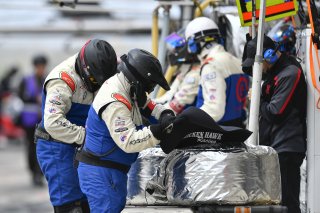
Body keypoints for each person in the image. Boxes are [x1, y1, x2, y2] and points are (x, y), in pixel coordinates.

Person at [76, 48, 175, 213]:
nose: (148, 90)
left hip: (110, 171)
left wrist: (164, 113)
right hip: (101, 173)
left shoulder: (127, 86)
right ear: (138, 79)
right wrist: (158, 131)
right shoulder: (115, 100)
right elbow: (128, 141)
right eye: (149, 85)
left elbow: (147, 105)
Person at [35, 39, 118, 212]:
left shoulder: (105, 71)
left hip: (85, 146)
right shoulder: (62, 80)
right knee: (71, 206)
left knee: (92, 201)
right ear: (85, 68)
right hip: (57, 146)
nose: (97, 85)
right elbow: (53, 122)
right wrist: (88, 137)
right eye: (95, 80)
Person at [242, 35, 307, 213]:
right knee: (275, 203)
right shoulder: (276, 72)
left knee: (287, 203)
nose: (258, 70)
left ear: (269, 56)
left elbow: (275, 112)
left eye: (258, 63)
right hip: (275, 147)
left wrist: (257, 99)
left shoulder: (289, 73)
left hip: (286, 148)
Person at [184, 17, 249, 128]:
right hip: (237, 129)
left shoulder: (211, 66)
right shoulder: (238, 62)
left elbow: (214, 110)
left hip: (215, 133)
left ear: (195, 43)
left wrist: (186, 121)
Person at [18, 55, 47, 186]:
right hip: (29, 120)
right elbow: (20, 97)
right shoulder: (26, 80)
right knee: (31, 146)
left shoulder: (47, 79)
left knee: (42, 146)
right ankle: (33, 172)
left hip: (43, 119)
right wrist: (33, 98)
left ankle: (39, 173)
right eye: (39, 66)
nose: (41, 69)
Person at [155, 33, 201, 114]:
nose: (173, 51)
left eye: (177, 48)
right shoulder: (185, 71)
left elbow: (175, 106)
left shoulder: (194, 74)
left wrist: (152, 112)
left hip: (191, 120)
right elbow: (167, 97)